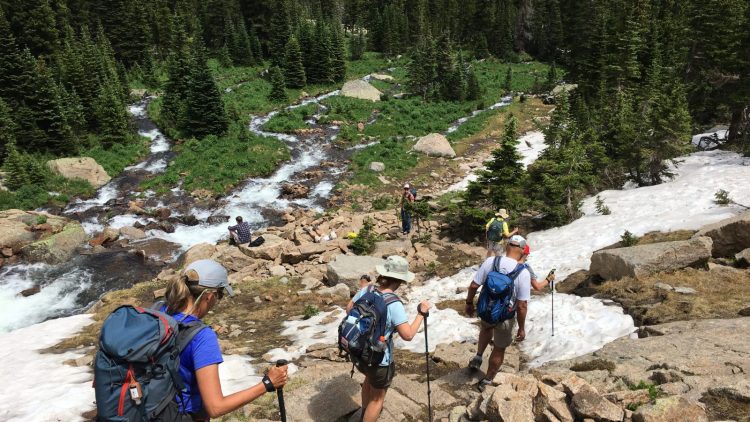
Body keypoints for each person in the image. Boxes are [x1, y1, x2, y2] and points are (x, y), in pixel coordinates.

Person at [163, 259, 288, 420]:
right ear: (208, 296)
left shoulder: (160, 311)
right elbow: (216, 407)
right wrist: (268, 383)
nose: (218, 300)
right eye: (220, 294)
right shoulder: (201, 336)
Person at [346, 256, 431, 422]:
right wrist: (421, 313)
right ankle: (369, 416)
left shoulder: (367, 289)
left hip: (359, 351)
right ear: (400, 280)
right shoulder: (393, 303)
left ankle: (364, 413)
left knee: (368, 380)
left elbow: (349, 309)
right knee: (377, 399)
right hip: (379, 359)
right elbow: (408, 335)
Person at [464, 235, 531, 391]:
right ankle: (487, 380)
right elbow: (522, 305)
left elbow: (474, 285)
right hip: (505, 316)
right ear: (521, 250)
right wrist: (521, 328)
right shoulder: (523, 272)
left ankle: (478, 356)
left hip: (487, 308)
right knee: (499, 348)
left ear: (507, 246)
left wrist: (469, 303)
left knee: (486, 328)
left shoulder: (491, 261)